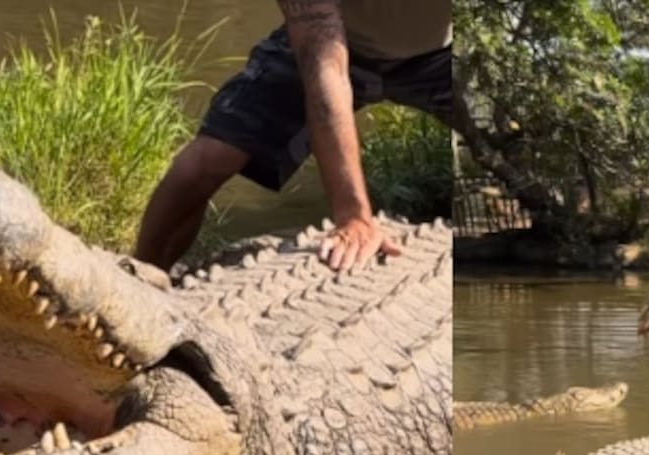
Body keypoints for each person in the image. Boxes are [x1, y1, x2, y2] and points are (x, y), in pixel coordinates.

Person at [134, 0, 452, 273]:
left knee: (498, 132)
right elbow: (325, 69)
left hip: (439, 58)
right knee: (208, 160)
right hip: (337, 45)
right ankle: (143, 278)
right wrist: (353, 215)